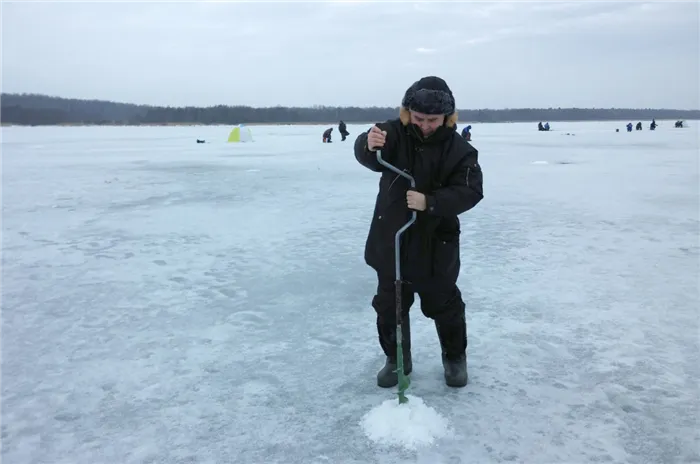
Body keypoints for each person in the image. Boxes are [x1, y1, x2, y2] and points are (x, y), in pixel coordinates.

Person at [353, 76, 484, 388]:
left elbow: (471, 190)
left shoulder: (460, 150)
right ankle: (397, 359)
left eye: (433, 120)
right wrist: (367, 144)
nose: (425, 125)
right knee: (390, 305)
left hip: (435, 243)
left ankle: (454, 358)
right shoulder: (393, 133)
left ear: (447, 118)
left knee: (444, 305)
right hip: (392, 238)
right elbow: (368, 154)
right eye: (419, 118)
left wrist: (431, 202)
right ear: (407, 112)